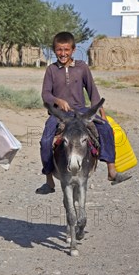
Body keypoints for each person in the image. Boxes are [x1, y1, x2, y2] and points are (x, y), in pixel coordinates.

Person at [36, 31, 132, 194]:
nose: (63, 53)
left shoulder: (82, 67)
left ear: (73, 50)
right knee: (46, 140)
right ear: (54, 50)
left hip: (81, 111)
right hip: (59, 114)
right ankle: (49, 180)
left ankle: (112, 171)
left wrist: (101, 112)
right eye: (59, 50)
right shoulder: (51, 70)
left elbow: (92, 91)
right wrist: (58, 101)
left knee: (106, 129)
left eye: (66, 50)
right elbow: (45, 94)